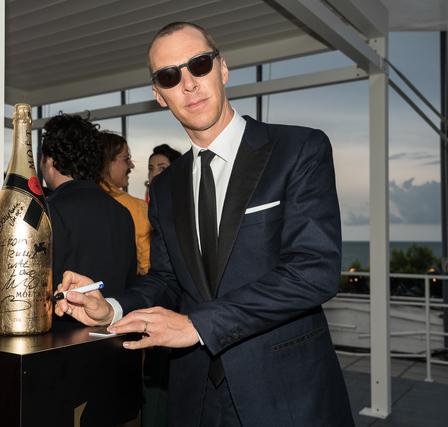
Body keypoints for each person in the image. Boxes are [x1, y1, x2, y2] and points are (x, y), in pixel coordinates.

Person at [56, 21, 354, 427]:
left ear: (222, 68)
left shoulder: (298, 149)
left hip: (286, 391)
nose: (189, 83)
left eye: (199, 64)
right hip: (195, 394)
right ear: (159, 95)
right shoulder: (165, 188)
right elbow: (167, 279)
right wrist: (110, 308)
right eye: (169, 76)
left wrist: (198, 325)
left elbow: (314, 271)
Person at [40, 113, 136, 298]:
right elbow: (130, 285)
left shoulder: (47, 212)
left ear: (50, 161)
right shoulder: (122, 213)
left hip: (62, 315)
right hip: (111, 314)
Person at [97, 131, 152, 275]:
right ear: (107, 162)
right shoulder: (136, 208)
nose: (131, 165)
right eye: (126, 159)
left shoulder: (80, 200)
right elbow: (148, 266)